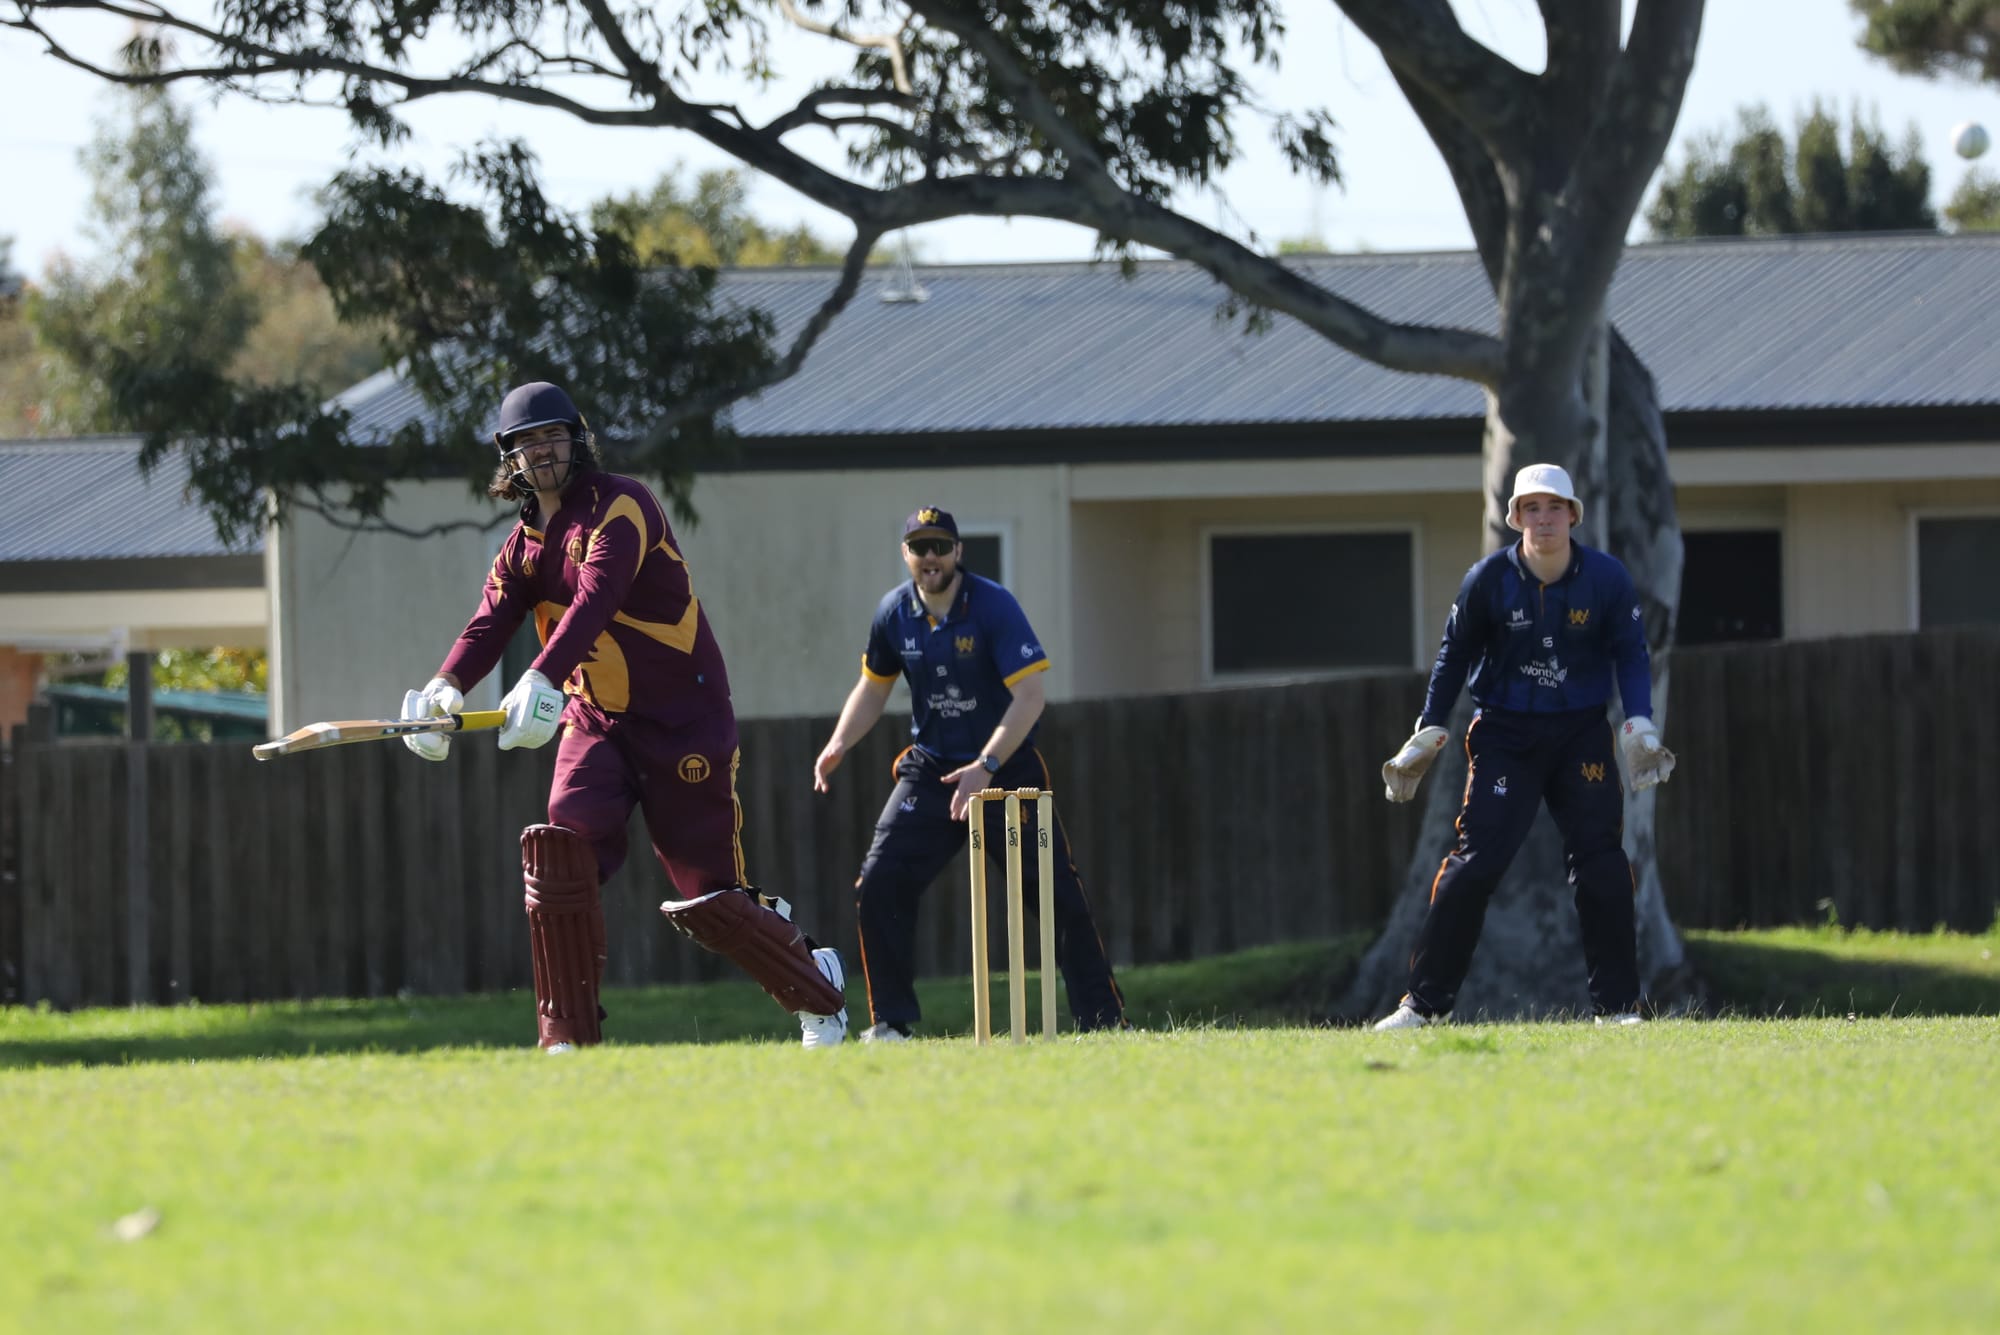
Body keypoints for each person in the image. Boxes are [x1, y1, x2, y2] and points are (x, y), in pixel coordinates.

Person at [398, 381, 848, 1051]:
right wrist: (445, 685)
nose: (541, 451)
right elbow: (491, 619)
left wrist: (542, 675)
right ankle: (567, 1040)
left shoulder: (622, 506)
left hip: (684, 720)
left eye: (552, 436)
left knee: (711, 903)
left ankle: (817, 986)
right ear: (509, 459)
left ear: (577, 439)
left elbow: (596, 600)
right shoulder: (523, 544)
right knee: (559, 860)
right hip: (599, 720)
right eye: (526, 442)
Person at [1373, 463, 1678, 1030]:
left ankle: (1617, 1009)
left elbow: (1632, 654)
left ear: (1572, 516)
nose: (1543, 519)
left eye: (1554, 508)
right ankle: (1423, 1006)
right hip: (1505, 734)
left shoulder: (1607, 579)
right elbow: (1452, 657)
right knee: (1474, 865)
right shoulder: (1487, 579)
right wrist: (1429, 726)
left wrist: (1640, 723)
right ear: (1515, 518)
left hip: (1581, 732)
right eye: (1531, 509)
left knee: (1602, 864)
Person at [812, 506, 1126, 1041]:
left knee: (1054, 897)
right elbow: (874, 686)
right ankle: (892, 1024)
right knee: (881, 882)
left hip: (1005, 768)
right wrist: (839, 742)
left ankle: (1103, 1022)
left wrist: (986, 765)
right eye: (919, 547)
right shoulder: (894, 612)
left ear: (958, 552)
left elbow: (1030, 698)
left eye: (940, 546)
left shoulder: (993, 606)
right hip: (932, 769)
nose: (929, 557)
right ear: (906, 554)